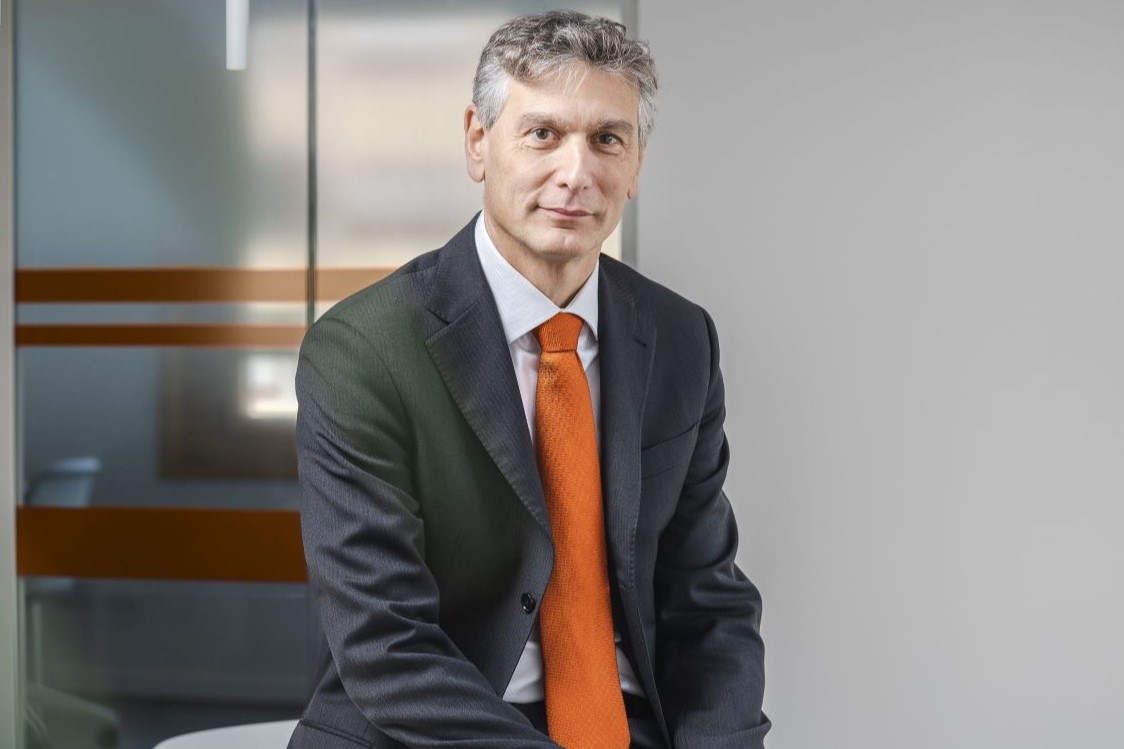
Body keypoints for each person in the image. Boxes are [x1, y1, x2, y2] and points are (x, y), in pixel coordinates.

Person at [288, 10, 769, 749]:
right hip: (424, 733)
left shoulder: (679, 338)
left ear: (637, 165)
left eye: (607, 139)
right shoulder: (364, 348)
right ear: (478, 142)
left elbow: (708, 605)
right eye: (542, 133)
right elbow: (386, 646)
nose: (576, 173)